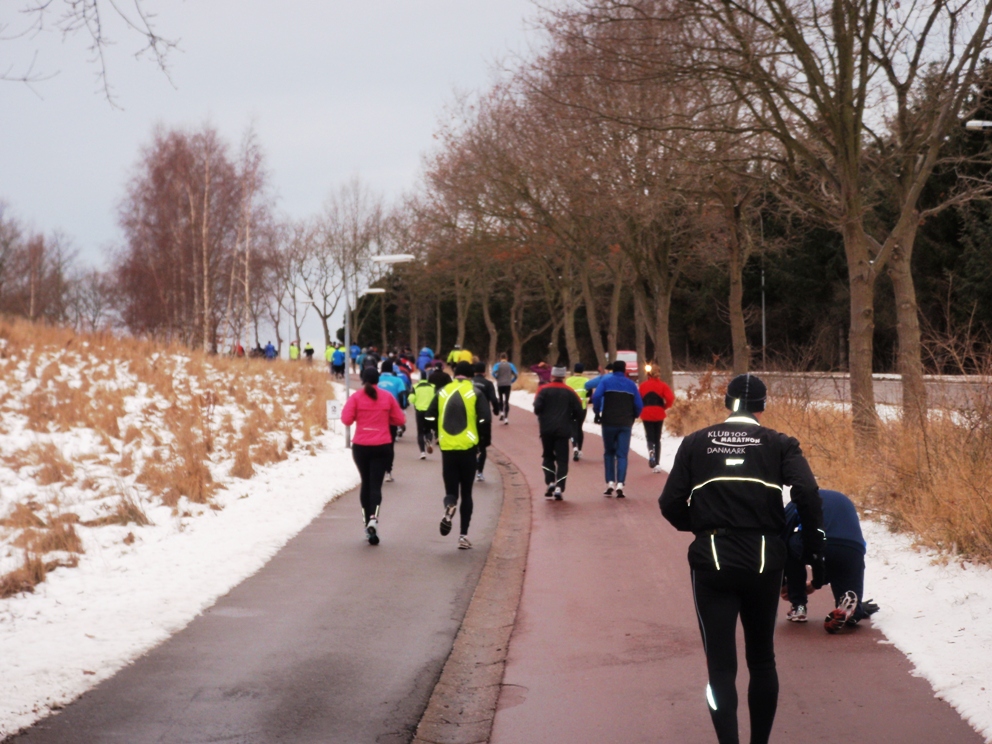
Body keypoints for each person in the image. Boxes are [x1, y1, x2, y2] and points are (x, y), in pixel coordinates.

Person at [659, 373, 826, 744]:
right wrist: (814, 545)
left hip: (713, 560)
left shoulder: (695, 443)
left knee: (720, 667)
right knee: (762, 660)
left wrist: (702, 527)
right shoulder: (780, 443)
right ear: (762, 407)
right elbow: (808, 494)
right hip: (764, 560)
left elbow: (669, 504)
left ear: (726, 403)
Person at [782, 489, 880, 631]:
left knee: (790, 544)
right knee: (845, 595)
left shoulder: (801, 498)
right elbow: (833, 557)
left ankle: (799, 607)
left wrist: (785, 583)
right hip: (853, 549)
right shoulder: (843, 499)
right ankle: (854, 610)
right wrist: (816, 583)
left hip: (820, 543)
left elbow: (782, 537)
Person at [426, 361, 490, 550]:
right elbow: (485, 418)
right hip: (468, 448)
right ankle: (463, 536)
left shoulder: (443, 391)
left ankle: (450, 505)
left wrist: (434, 430)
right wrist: (481, 439)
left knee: (451, 491)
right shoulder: (475, 392)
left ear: (455, 374)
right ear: (470, 376)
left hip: (448, 448)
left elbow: (429, 415)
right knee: (467, 493)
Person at [340, 367, 406, 545]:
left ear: (362, 379)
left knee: (366, 484)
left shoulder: (356, 397)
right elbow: (400, 420)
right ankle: (373, 519)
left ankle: (366, 526)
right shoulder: (387, 397)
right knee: (376, 485)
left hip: (361, 446)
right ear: (378, 379)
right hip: (382, 445)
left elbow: (346, 420)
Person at [591, 360, 643, 498]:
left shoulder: (606, 382)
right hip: (625, 423)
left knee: (609, 453)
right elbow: (639, 404)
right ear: (625, 370)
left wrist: (597, 412)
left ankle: (610, 483)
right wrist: (634, 416)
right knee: (622, 454)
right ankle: (621, 483)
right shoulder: (631, 385)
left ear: (613, 369)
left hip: (609, 422)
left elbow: (596, 396)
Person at [533, 366, 584, 500]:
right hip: (563, 430)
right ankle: (559, 487)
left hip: (546, 429)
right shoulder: (570, 392)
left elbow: (537, 408)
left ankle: (550, 481)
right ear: (564, 377)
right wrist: (570, 417)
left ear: (552, 375)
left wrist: (544, 415)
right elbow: (579, 411)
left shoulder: (543, 390)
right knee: (562, 460)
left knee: (548, 456)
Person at [639, 366, 675, 472]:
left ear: (648, 374)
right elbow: (670, 398)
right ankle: (657, 463)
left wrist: (641, 408)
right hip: (659, 412)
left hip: (646, 412)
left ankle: (651, 454)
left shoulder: (643, 386)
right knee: (657, 438)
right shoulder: (663, 385)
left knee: (649, 436)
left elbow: (637, 398)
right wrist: (665, 406)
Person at [376, 360, 408, 481]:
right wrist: (402, 408)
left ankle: (377, 469)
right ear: (392, 370)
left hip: (377, 416)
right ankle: (388, 471)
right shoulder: (398, 381)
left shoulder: (376, 380)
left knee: (377, 443)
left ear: (381, 370)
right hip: (391, 416)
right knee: (390, 444)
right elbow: (402, 396)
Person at [471, 362, 500, 481]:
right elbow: (493, 399)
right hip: (484, 417)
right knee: (483, 446)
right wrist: (496, 410)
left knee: (471, 445)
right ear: (484, 372)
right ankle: (480, 472)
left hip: (470, 417)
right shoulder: (488, 384)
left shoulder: (469, 383)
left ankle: (470, 469)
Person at [564, 363, 590, 460]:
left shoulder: (568, 380)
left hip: (571, 408)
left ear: (574, 370)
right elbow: (589, 394)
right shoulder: (586, 381)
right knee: (579, 428)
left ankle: (574, 447)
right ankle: (579, 450)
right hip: (582, 407)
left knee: (573, 428)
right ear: (582, 371)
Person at [412, 371, 438, 459]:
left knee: (420, 432)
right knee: (428, 430)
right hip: (430, 411)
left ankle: (422, 452)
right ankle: (429, 441)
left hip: (420, 411)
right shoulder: (433, 387)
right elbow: (436, 398)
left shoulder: (415, 387)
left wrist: (416, 401)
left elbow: (411, 399)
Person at [492, 353, 518, 425]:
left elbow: (493, 373)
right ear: (507, 358)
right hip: (507, 384)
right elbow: (516, 375)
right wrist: (511, 381)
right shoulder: (511, 365)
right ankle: (506, 418)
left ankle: (501, 413)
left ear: (500, 358)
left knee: (500, 398)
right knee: (506, 401)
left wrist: (497, 378)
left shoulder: (497, 365)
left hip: (500, 384)